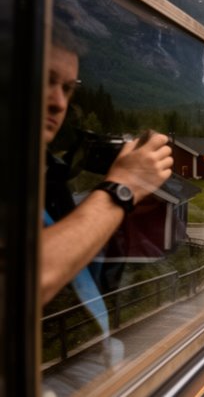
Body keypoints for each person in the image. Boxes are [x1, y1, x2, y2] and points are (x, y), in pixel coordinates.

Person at [41, 37, 173, 305]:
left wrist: (122, 221)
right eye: (45, 80)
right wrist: (122, 188)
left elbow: (85, 275)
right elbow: (27, 278)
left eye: (67, 89)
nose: (59, 102)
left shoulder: (52, 178)